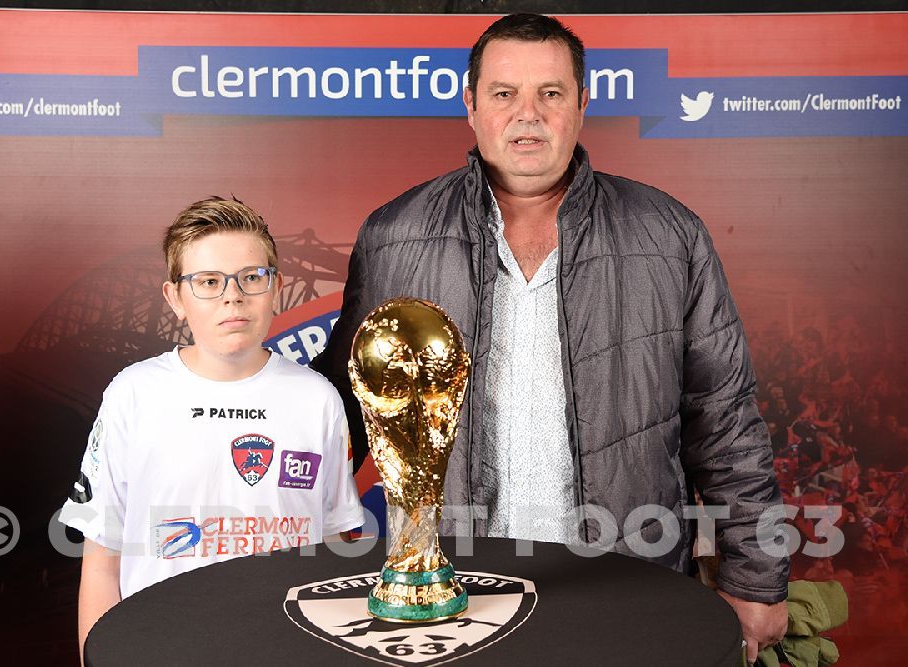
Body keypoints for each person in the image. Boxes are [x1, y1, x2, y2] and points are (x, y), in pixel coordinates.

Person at [312, 13, 788, 662]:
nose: (527, 114)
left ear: (583, 104)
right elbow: (339, 411)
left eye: (552, 94)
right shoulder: (394, 235)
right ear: (471, 105)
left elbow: (725, 422)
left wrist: (755, 575)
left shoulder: (670, 234)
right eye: (504, 94)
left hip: (628, 587)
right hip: (459, 598)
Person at [59, 197, 365, 660]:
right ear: (175, 299)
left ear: (276, 288)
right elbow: (102, 564)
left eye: (251, 277)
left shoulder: (317, 399)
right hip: (161, 650)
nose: (232, 296)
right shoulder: (134, 394)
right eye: (207, 282)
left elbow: (331, 555)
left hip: (285, 651)